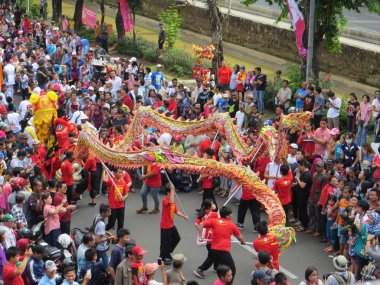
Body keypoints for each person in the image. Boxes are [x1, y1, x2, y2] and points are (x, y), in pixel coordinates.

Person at [195, 206, 245, 283]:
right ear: (227, 216)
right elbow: (240, 237)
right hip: (223, 251)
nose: (232, 215)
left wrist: (201, 236)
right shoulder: (232, 225)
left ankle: (203, 270)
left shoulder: (214, 221)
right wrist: (242, 242)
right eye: (231, 214)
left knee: (213, 260)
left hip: (214, 248)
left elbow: (201, 224)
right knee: (232, 270)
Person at [160, 183, 189, 265]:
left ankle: (167, 252)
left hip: (171, 224)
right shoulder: (165, 200)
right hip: (165, 225)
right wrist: (172, 189)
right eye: (173, 192)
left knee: (177, 238)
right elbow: (171, 202)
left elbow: (176, 211)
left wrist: (184, 216)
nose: (175, 193)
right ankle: (163, 258)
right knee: (165, 242)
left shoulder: (173, 201)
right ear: (168, 193)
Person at [194, 199, 219, 278]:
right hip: (212, 237)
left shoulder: (202, 213)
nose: (214, 204)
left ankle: (216, 266)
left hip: (205, 237)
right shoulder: (214, 214)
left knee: (213, 252)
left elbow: (196, 224)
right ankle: (200, 269)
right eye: (212, 203)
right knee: (213, 255)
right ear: (209, 206)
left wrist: (201, 234)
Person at [102, 167, 129, 233]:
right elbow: (104, 180)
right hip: (112, 206)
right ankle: (100, 232)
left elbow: (126, 194)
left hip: (121, 206)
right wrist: (104, 170)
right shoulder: (112, 181)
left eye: (121, 172)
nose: (121, 173)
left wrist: (124, 198)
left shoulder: (123, 182)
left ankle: (118, 239)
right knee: (111, 224)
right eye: (119, 172)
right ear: (115, 173)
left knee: (121, 224)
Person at [94, 204, 117, 268]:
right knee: (106, 265)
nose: (110, 213)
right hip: (100, 248)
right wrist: (109, 238)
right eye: (109, 212)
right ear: (103, 213)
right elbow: (98, 240)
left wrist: (106, 232)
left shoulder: (97, 216)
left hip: (96, 247)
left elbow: (96, 228)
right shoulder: (102, 224)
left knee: (97, 260)